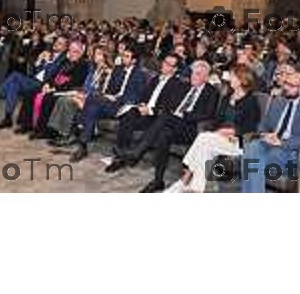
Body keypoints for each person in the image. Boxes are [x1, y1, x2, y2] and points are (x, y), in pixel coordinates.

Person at [120, 60, 219, 193]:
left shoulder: (211, 92)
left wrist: (184, 115)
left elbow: (208, 114)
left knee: (166, 118)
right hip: (172, 124)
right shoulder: (184, 86)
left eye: (198, 74)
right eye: (193, 73)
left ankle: (137, 152)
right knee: (163, 135)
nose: (193, 77)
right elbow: (170, 104)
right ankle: (158, 180)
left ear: (206, 77)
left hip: (190, 128)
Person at [165, 65, 261, 193]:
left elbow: (251, 127)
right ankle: (196, 189)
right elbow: (217, 120)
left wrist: (232, 132)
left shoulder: (251, 101)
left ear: (241, 80)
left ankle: (185, 179)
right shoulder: (227, 97)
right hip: (218, 138)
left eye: (232, 76)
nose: (229, 79)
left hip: (237, 142)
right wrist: (216, 131)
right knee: (205, 149)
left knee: (203, 138)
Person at [104, 53, 187, 172]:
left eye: (169, 64)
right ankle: (121, 154)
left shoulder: (178, 84)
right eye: (164, 62)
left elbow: (170, 107)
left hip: (156, 117)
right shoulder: (155, 79)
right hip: (143, 111)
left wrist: (151, 110)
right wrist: (142, 104)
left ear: (174, 69)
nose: (164, 65)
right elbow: (144, 95)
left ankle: (128, 156)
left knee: (141, 116)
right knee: (129, 113)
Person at [241, 70, 300, 193]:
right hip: (270, 142)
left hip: (290, 150)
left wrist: (283, 143)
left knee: (254, 161)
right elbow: (263, 124)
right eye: (285, 84)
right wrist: (266, 134)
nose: (286, 88)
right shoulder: (278, 101)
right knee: (251, 148)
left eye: (291, 86)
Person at [68, 43, 147, 162]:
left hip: (124, 105)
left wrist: (116, 98)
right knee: (92, 107)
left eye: (127, 56)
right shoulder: (118, 70)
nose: (123, 58)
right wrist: (108, 96)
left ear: (134, 60)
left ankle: (82, 130)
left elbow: (136, 96)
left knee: (91, 100)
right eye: (123, 55)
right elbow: (110, 88)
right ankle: (83, 146)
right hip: (110, 104)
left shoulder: (140, 74)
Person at [0, 35, 68, 127]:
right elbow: (37, 70)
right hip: (34, 80)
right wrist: (39, 60)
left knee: (15, 75)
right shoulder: (48, 53)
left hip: (43, 85)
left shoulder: (63, 60)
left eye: (60, 43)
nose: (56, 44)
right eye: (56, 41)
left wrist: (47, 63)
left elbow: (51, 76)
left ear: (65, 47)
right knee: (13, 85)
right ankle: (8, 117)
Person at [47, 45, 114, 148]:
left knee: (69, 101)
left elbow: (102, 91)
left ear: (104, 56)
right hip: (86, 95)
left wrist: (84, 96)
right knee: (62, 99)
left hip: (95, 100)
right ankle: (58, 132)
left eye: (98, 54)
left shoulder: (107, 72)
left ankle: (67, 135)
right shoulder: (94, 69)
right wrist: (80, 93)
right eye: (95, 54)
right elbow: (86, 86)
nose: (94, 56)